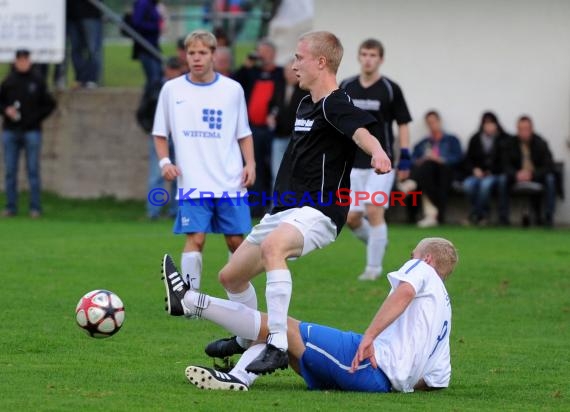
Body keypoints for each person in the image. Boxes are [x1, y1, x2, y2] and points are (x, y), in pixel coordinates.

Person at [162, 31, 392, 375]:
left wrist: (377, 153)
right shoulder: (305, 103)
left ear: (321, 62)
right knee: (231, 277)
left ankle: (277, 344)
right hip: (283, 209)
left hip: (319, 210)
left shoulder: (335, 102)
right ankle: (246, 339)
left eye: (299, 57)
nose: (294, 64)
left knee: (273, 249)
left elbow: (361, 132)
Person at [161, 237, 458, 393]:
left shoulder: (423, 271)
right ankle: (239, 374)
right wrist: (399, 383)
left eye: (413, 255)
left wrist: (369, 340)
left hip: (367, 365)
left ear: (427, 259)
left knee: (281, 325)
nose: (410, 259)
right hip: (375, 378)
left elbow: (404, 292)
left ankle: (189, 301)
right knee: (279, 336)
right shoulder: (444, 310)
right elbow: (436, 382)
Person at [152, 30, 255, 291]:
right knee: (196, 239)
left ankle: (239, 297)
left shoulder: (232, 89)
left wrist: (250, 164)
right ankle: (190, 299)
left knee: (235, 242)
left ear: (213, 54)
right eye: (192, 53)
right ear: (185, 56)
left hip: (230, 180)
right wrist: (165, 162)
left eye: (202, 53)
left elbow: (243, 133)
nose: (196, 58)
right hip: (193, 182)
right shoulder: (172, 89)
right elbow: (160, 133)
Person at [340, 38, 412, 281]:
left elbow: (403, 124)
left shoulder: (390, 89)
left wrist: (406, 158)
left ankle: (373, 269)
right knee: (351, 218)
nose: (368, 59)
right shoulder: (347, 86)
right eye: (364, 54)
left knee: (373, 210)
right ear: (359, 57)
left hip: (381, 164)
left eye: (373, 55)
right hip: (352, 163)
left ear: (380, 59)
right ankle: (378, 241)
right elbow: (337, 120)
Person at [0, 49, 56, 218]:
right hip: (11, 131)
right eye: (20, 60)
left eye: (25, 60)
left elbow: (50, 104)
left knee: (32, 170)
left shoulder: (37, 81)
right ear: (15, 62)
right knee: (10, 171)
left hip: (32, 131)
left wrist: (36, 118)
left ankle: (35, 207)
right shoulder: (8, 81)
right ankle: (10, 207)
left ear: (30, 62)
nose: (23, 63)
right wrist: (6, 111)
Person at [233, 38, 285, 217]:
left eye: (265, 52)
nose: (262, 56)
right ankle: (255, 207)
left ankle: (273, 206)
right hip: (252, 130)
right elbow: (234, 82)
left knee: (273, 168)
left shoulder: (280, 74)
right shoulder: (251, 73)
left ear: (273, 54)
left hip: (273, 131)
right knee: (255, 169)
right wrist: (246, 65)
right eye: (260, 52)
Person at [136, 56, 183, 220]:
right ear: (167, 70)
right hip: (159, 136)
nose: (174, 72)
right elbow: (143, 110)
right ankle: (153, 212)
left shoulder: (185, 88)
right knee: (157, 175)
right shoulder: (155, 87)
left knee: (179, 175)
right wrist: (151, 129)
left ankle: (176, 211)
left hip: (180, 138)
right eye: (172, 68)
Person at [401, 111, 462, 227]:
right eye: (429, 123)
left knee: (429, 167)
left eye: (434, 122)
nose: (432, 125)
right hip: (427, 176)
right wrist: (423, 159)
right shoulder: (423, 143)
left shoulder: (451, 140)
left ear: (439, 122)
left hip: (445, 173)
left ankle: (411, 183)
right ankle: (431, 216)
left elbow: (457, 158)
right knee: (427, 167)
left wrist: (438, 159)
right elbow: (413, 160)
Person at [497, 116, 556, 227]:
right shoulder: (509, 144)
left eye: (527, 129)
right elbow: (504, 165)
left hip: (536, 177)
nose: (524, 132)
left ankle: (548, 218)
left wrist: (532, 174)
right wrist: (516, 174)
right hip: (515, 177)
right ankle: (503, 218)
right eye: (521, 129)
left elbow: (549, 165)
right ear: (517, 130)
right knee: (502, 180)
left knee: (550, 179)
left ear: (532, 129)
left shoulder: (541, 143)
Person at [462, 112, 510, 226]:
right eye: (486, 124)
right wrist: (474, 170)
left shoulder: (504, 139)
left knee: (485, 185)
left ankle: (480, 215)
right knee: (467, 185)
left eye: (491, 123)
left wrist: (491, 171)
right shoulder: (475, 139)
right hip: (477, 174)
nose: (489, 127)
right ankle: (479, 213)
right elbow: (467, 160)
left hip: (495, 174)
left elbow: (506, 162)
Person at [266, 58, 307, 185]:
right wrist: (271, 116)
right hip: (279, 134)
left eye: (292, 71)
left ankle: (292, 203)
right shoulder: (279, 86)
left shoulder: (304, 89)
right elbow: (272, 106)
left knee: (295, 173)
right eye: (286, 71)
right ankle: (277, 203)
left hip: (297, 138)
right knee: (277, 172)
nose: (289, 74)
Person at [67, 0, 103, 88]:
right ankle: (80, 78)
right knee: (75, 49)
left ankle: (92, 79)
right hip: (71, 14)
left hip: (90, 14)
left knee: (93, 49)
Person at [131, 0, 163, 93]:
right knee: (154, 79)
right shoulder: (143, 3)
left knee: (157, 78)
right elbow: (136, 22)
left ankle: (151, 103)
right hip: (145, 46)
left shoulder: (152, 4)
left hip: (153, 45)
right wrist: (155, 27)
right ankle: (150, 105)